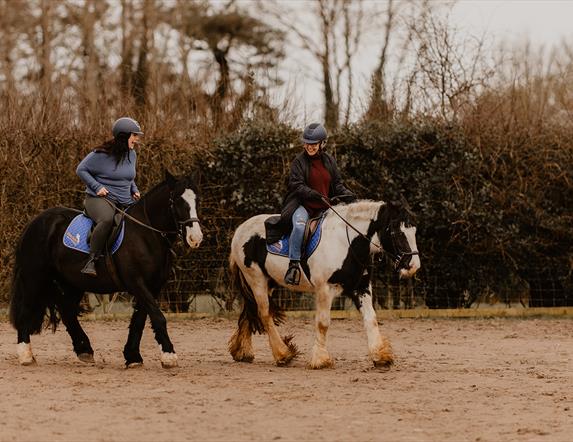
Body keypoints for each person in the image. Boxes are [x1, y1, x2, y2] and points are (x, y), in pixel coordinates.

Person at [281, 122, 356, 285]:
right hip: (303, 206)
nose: (309, 147)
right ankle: (293, 266)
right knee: (300, 226)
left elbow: (337, 184)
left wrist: (347, 195)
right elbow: (296, 185)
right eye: (307, 143)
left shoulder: (329, 161)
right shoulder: (298, 162)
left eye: (313, 144)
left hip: (325, 208)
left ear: (322, 143)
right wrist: (312, 194)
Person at [76, 117, 143, 276]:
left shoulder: (131, 154)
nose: (137, 139)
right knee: (106, 219)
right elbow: (81, 170)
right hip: (99, 199)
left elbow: (129, 177)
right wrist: (97, 187)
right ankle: (91, 261)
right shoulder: (100, 154)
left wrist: (134, 189)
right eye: (134, 135)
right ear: (123, 136)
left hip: (125, 200)